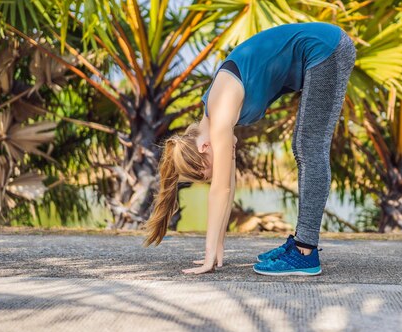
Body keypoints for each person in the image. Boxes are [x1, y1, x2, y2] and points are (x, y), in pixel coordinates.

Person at [143, 22, 356, 276]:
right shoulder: (214, 116)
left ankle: (304, 252)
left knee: (308, 145)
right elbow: (228, 184)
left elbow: (220, 189)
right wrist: (218, 244)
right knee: (305, 145)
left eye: (206, 173)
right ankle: (301, 244)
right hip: (322, 50)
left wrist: (209, 255)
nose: (213, 175)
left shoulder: (219, 115)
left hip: (325, 48)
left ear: (203, 147)